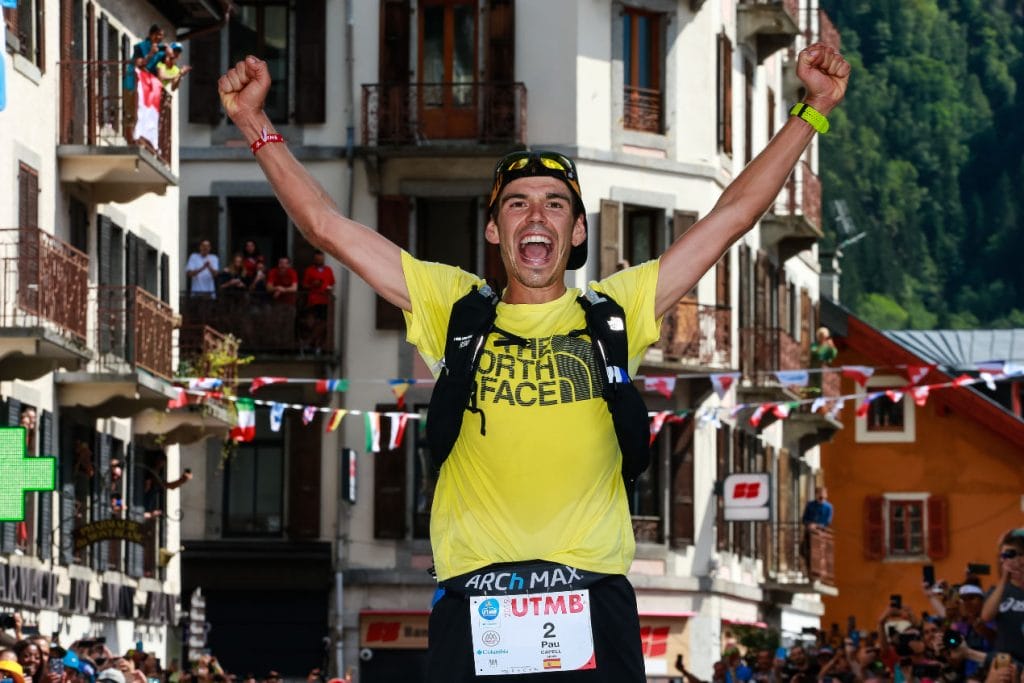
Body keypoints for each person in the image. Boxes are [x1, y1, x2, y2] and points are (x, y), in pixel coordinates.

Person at [217, 41, 849, 682]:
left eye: (555, 203)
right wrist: (252, 123)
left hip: (592, 597)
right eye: (517, 203)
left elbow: (733, 215)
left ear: (576, 232)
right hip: (475, 600)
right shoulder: (454, 306)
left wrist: (813, 111)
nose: (535, 215)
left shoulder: (615, 310)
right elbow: (326, 226)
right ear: (494, 229)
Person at [981, 528, 1024, 667]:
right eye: (1003, 555)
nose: (1005, 559)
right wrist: (1004, 579)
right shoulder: (998, 590)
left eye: (1010, 554)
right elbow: (986, 616)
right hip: (1005, 659)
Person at [301, 250, 335, 351]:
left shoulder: (328, 270)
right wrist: (313, 284)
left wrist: (329, 288)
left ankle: (313, 343)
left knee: (323, 322)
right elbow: (304, 285)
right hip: (314, 300)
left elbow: (332, 283)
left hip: (325, 300)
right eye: (317, 258)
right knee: (314, 322)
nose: (319, 260)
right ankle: (312, 343)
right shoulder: (309, 270)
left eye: (321, 258)